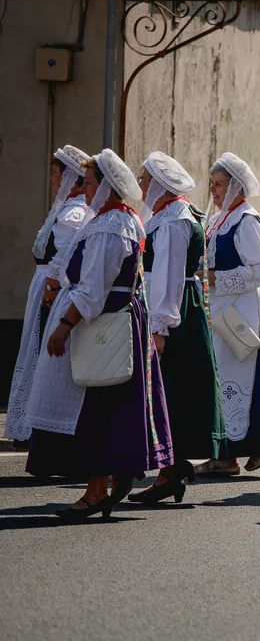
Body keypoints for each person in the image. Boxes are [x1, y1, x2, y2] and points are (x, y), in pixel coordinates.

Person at [23, 149, 173, 519]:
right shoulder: (114, 219)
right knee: (111, 405)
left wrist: (64, 325)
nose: (84, 189)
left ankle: (95, 491)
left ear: (106, 186)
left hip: (105, 325)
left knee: (97, 407)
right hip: (117, 322)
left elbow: (93, 289)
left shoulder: (111, 226)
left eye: (89, 183)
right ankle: (113, 477)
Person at [128, 153, 226, 504]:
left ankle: (169, 469)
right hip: (178, 309)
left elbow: (169, 277)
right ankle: (170, 468)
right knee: (174, 389)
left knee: (170, 389)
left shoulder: (173, 221)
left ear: (159, 183)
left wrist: (160, 327)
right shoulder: (170, 214)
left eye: (144, 179)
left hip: (175, 313)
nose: (140, 185)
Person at [196, 153, 260, 475]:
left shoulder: (246, 220)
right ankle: (225, 456)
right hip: (221, 307)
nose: (213, 191)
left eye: (219, 185)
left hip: (244, 310)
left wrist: (217, 279)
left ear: (236, 187)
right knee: (221, 379)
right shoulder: (219, 219)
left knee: (245, 378)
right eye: (211, 185)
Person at [4, 145, 92, 445]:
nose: (52, 181)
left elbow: (67, 257)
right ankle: (30, 424)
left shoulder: (76, 213)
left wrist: (53, 288)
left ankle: (41, 428)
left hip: (54, 289)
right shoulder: (64, 210)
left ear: (71, 179)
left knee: (44, 351)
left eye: (56, 175)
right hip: (44, 285)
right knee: (34, 351)